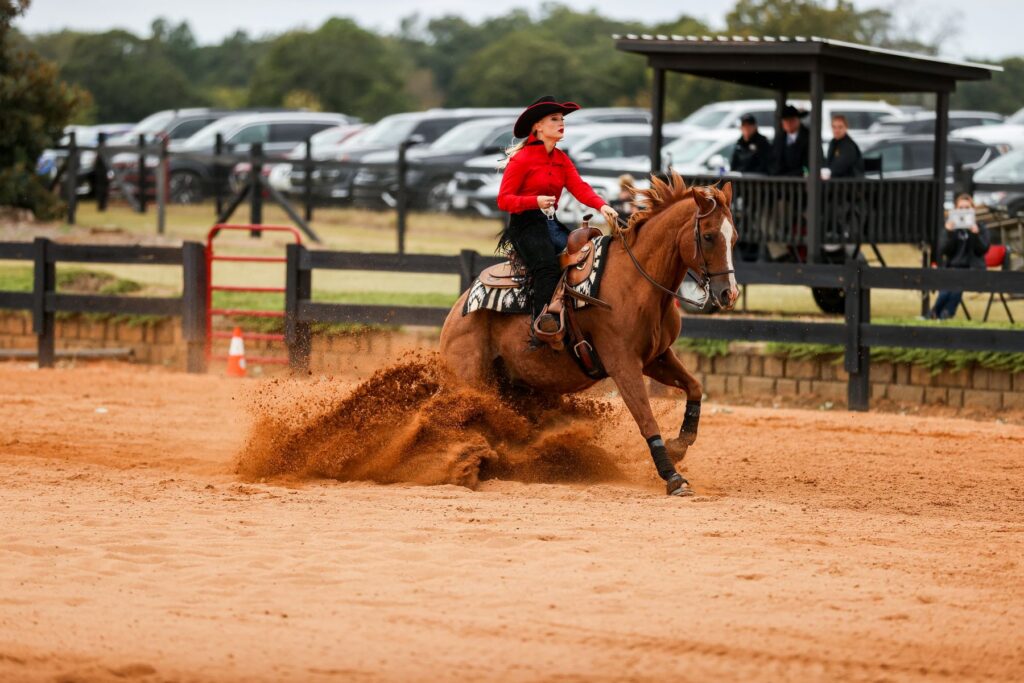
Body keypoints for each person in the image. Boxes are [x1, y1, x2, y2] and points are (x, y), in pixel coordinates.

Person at [497, 95, 618, 336]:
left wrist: (602, 206)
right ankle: (540, 328)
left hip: (550, 224)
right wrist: (535, 201)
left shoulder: (561, 159)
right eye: (554, 119)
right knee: (547, 268)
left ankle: (580, 320)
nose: (561, 123)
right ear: (538, 126)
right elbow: (503, 200)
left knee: (588, 258)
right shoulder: (521, 159)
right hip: (525, 226)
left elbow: (580, 187)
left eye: (562, 119)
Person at [929, 194, 991, 320]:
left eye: (967, 207)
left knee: (957, 283)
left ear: (973, 209)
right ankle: (938, 314)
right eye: (960, 207)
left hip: (972, 269)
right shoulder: (951, 227)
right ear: (956, 210)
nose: (963, 211)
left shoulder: (981, 227)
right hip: (952, 268)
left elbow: (983, 250)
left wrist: (976, 234)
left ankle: (942, 314)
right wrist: (948, 233)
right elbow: (943, 251)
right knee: (948, 285)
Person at [771, 104, 810, 177]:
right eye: (785, 120)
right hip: (780, 180)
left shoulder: (809, 137)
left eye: (791, 120)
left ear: (798, 120)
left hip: (801, 180)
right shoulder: (779, 138)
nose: (788, 123)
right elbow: (774, 161)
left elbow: (810, 164)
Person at [825, 114, 864, 178]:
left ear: (846, 128)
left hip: (849, 183)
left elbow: (840, 167)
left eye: (840, 127)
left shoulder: (848, 146)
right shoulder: (833, 142)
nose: (836, 130)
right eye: (834, 127)